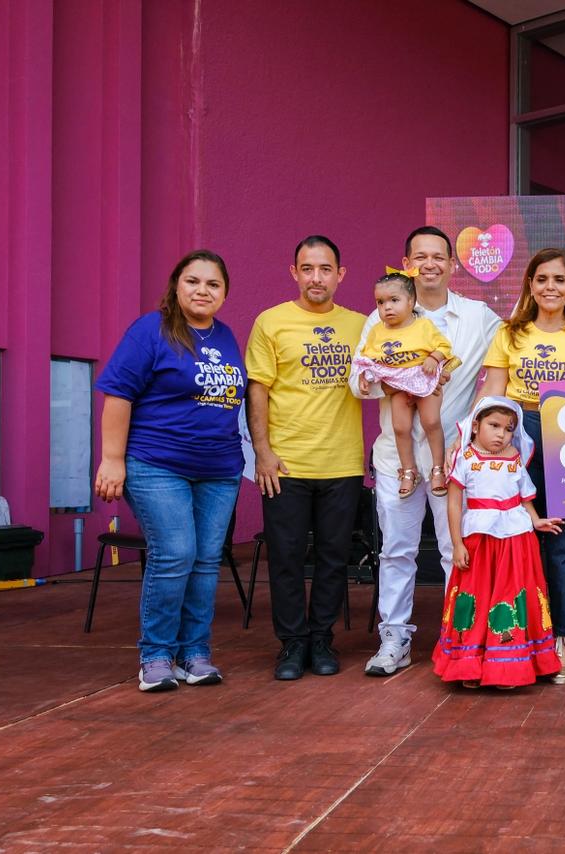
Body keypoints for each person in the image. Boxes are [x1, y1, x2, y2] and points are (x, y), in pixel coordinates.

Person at [352, 226, 504, 677]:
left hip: (453, 457)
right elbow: (357, 382)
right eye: (420, 257)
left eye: (439, 256)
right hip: (395, 457)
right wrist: (395, 377)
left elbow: (520, 338)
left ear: (453, 265)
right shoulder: (380, 317)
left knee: (455, 548)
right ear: (406, 264)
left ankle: (460, 637)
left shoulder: (477, 316)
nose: (430, 264)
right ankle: (394, 638)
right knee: (396, 550)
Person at [94, 250, 245, 691]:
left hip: (218, 469)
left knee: (205, 561)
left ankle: (195, 653)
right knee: (175, 553)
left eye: (213, 284)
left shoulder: (226, 336)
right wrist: (112, 459)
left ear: (224, 293)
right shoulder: (150, 330)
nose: (202, 291)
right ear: (176, 286)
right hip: (156, 463)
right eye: (193, 281)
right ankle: (156, 656)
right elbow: (118, 395)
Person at [480, 247, 565, 684]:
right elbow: (493, 394)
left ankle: (561, 639)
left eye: (559, 279)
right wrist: (476, 443)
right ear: (530, 285)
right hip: (519, 439)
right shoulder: (509, 332)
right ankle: (517, 641)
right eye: (541, 279)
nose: (550, 287)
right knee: (516, 542)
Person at [246, 235, 366, 681]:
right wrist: (262, 452)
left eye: (325, 269)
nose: (317, 278)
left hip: (342, 461)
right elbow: (257, 389)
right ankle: (293, 643)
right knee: (286, 557)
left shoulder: (362, 325)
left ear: (340, 275)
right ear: (294, 273)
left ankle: (321, 639)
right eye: (308, 269)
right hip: (285, 464)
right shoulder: (271, 322)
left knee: (335, 557)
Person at [433, 397, 563, 687]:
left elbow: (523, 495)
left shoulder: (514, 457)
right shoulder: (465, 458)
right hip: (479, 539)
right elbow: (453, 504)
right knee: (477, 597)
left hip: (516, 539)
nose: (501, 434)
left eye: (508, 428)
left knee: (511, 594)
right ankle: (471, 664)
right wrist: (457, 544)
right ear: (475, 426)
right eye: (494, 425)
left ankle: (508, 665)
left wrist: (536, 520)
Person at [352, 271, 460, 498]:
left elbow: (445, 347)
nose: (387, 307)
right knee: (400, 427)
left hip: (425, 381)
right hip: (398, 385)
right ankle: (408, 471)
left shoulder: (423, 326)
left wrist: (433, 359)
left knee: (431, 421)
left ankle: (438, 468)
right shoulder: (377, 331)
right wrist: (364, 376)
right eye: (381, 302)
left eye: (394, 300)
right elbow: (366, 358)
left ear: (411, 302)